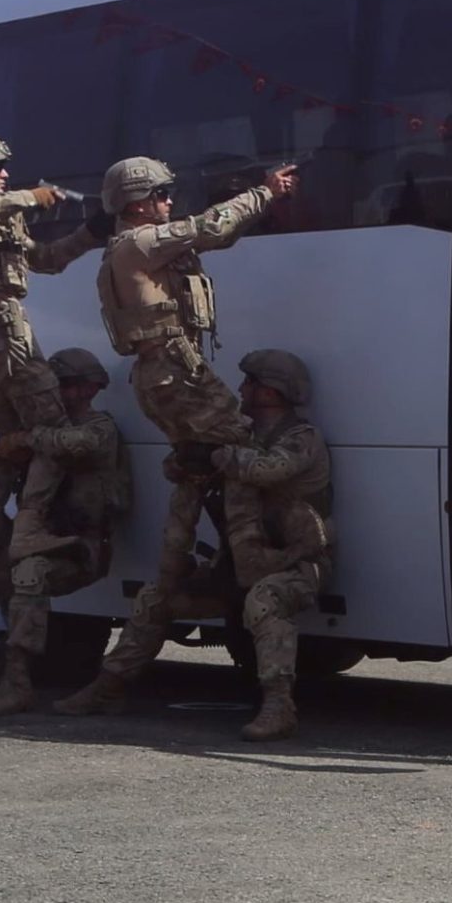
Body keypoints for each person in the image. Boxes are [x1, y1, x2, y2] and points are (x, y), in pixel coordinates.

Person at [59, 350, 333, 742]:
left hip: (294, 565)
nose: (242, 390)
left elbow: (268, 469)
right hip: (235, 562)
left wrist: (216, 454)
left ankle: (278, 705)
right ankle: (108, 688)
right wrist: (188, 457)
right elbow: (178, 469)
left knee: (265, 599)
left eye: (251, 383)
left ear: (273, 392)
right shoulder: (239, 438)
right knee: (158, 598)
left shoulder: (302, 438)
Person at [90, 154, 296, 600]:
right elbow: (209, 227)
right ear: (136, 204)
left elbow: (217, 239)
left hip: (167, 372)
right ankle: (247, 563)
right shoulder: (140, 242)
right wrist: (264, 192)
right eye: (160, 194)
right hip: (174, 373)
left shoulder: (146, 244)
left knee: (197, 468)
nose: (168, 200)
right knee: (242, 444)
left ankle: (171, 576)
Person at [0, 348, 131, 715]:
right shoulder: (38, 431)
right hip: (29, 543)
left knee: (29, 574)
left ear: (89, 389)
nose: (58, 395)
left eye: (66, 386)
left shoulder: (99, 428)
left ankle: (17, 681)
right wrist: (5, 449)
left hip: (78, 550)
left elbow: (74, 445)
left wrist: (25, 439)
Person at [0, 134, 98, 568]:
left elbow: (46, 259)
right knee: (55, 433)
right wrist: (35, 196)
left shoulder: (0, 218)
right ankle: (28, 532)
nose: (4, 175)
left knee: (10, 444)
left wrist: (90, 233)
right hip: (3, 341)